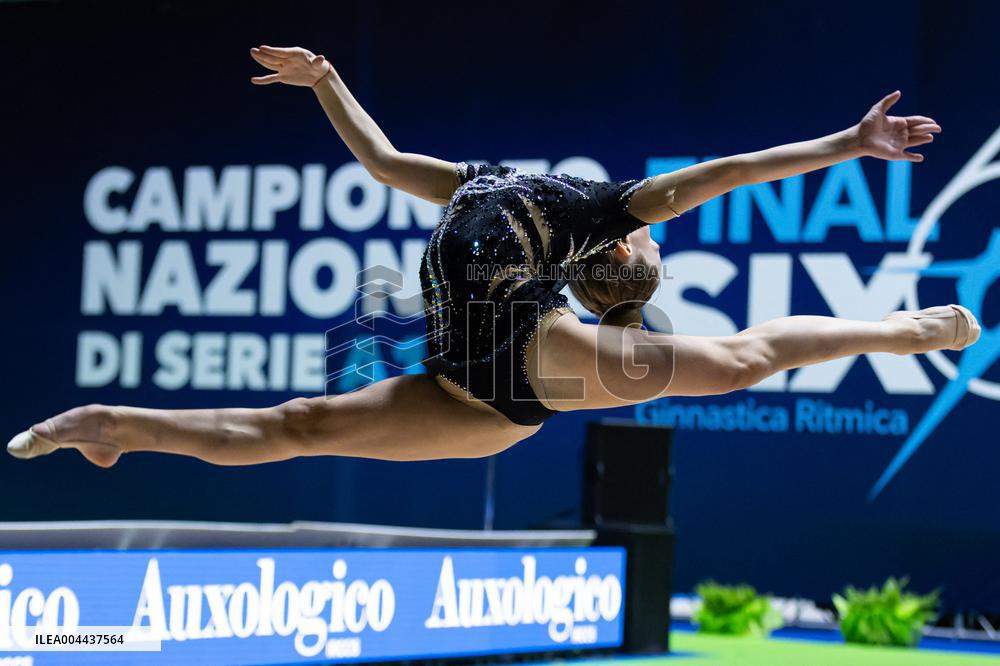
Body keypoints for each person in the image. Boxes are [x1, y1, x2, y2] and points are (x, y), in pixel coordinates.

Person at [6, 45, 979, 468]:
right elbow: (385, 162)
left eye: (648, 241)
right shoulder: (485, 181)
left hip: (518, 359)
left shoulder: (602, 209)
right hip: (470, 391)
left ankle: (899, 331)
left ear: (617, 250)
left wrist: (847, 145)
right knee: (298, 424)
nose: (655, 229)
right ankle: (111, 426)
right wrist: (327, 78)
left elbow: (729, 172)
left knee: (736, 363)